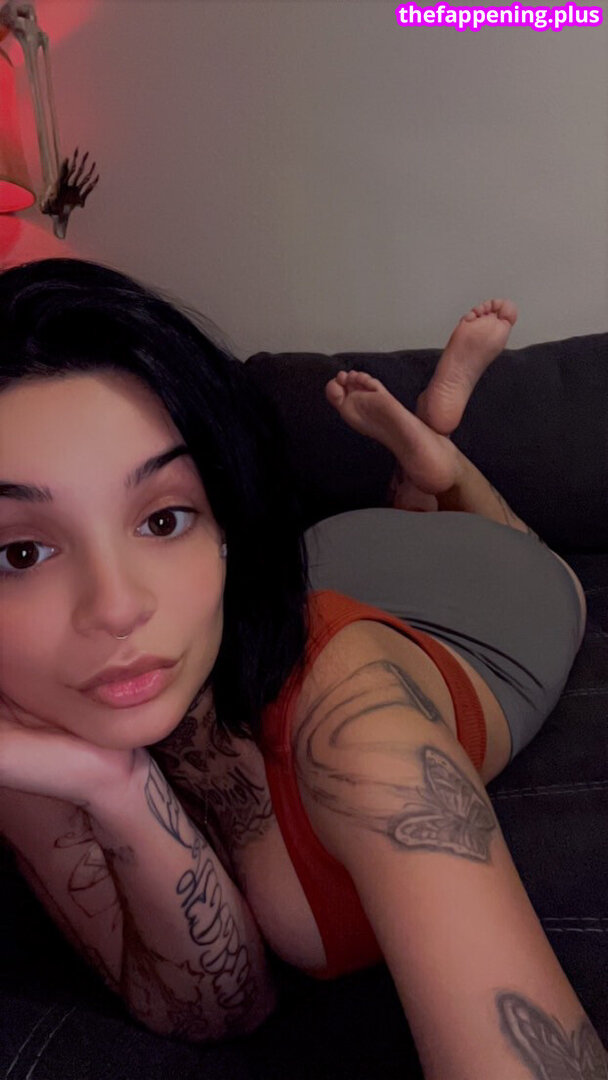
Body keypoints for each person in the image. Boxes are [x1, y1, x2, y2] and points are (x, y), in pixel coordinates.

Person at [0, 258, 603, 1078]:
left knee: (520, 547)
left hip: (493, 602)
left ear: (223, 525)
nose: (116, 607)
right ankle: (423, 473)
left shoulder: (363, 733)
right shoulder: (28, 714)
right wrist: (115, 789)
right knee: (386, 537)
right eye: (21, 553)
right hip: (330, 560)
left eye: (164, 518)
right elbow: (215, 1006)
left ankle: (443, 470)